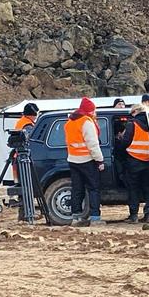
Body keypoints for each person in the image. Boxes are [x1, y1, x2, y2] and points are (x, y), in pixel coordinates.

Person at [65, 97, 105, 227]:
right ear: (89, 111)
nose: (94, 113)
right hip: (87, 160)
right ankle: (95, 218)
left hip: (73, 160)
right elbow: (93, 144)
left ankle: (76, 218)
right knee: (93, 188)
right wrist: (99, 160)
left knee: (77, 189)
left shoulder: (70, 121)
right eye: (93, 110)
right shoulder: (87, 122)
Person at [117, 104, 149, 223]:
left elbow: (125, 142)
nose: (131, 115)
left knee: (133, 189)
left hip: (134, 160)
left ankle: (134, 216)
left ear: (136, 112)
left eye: (131, 113)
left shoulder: (132, 124)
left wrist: (119, 144)